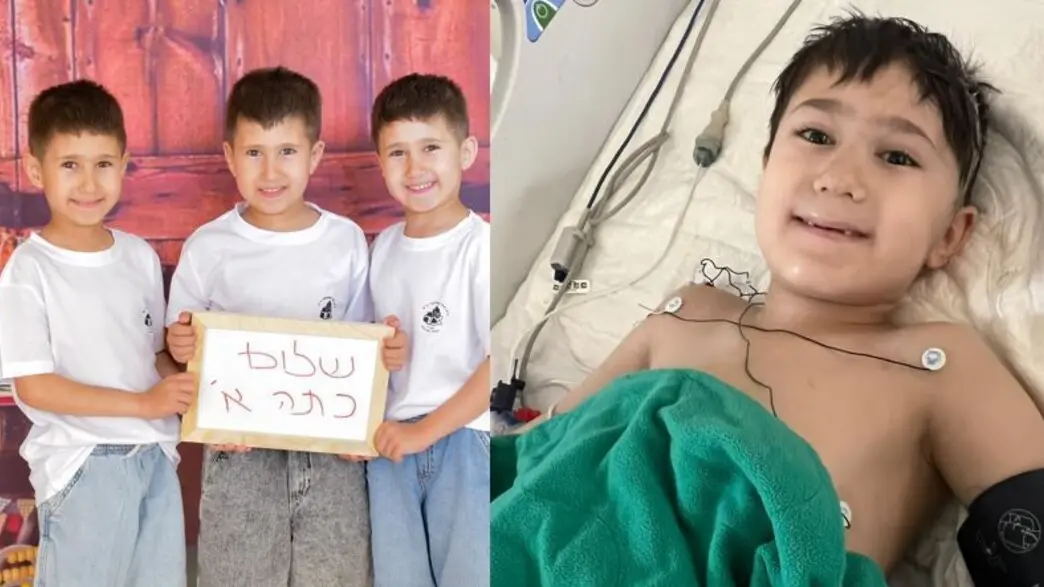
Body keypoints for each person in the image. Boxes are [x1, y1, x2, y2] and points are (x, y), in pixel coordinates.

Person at [506, 15, 1044, 585]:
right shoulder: (684, 316)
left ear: (950, 236)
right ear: (766, 171)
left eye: (897, 157)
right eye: (817, 136)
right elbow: (539, 455)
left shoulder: (939, 369)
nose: (839, 178)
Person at [163, 66, 406, 587]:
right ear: (230, 156)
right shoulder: (208, 247)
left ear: (314, 155)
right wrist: (179, 344)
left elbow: (364, 347)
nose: (270, 170)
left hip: (333, 460)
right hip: (238, 458)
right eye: (254, 152)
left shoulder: (344, 241)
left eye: (287, 151)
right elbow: (174, 349)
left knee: (336, 576)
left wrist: (379, 372)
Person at [0, 80, 192, 586]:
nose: (89, 183)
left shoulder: (139, 256)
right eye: (70, 164)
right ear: (36, 170)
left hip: (155, 457)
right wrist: (145, 404)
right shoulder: (29, 269)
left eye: (103, 163)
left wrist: (185, 372)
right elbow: (34, 387)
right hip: (84, 463)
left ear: (124, 165)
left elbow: (152, 357)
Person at [364, 73, 491, 587]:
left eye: (431, 148)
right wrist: (384, 350)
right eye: (397, 153)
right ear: (380, 164)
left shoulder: (479, 247)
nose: (415, 168)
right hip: (391, 445)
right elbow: (375, 353)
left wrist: (426, 432)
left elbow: (496, 365)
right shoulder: (382, 249)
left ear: (466, 151)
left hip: (464, 441)